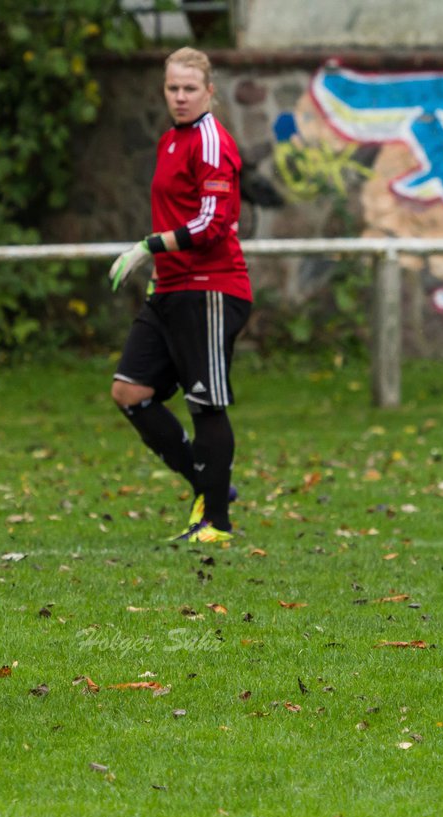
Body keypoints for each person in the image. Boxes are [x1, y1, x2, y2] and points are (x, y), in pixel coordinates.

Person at [107, 46, 252, 544]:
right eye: (173, 88)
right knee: (130, 392)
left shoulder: (212, 142)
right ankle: (210, 487)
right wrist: (156, 270)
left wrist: (150, 246)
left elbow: (214, 224)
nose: (181, 96)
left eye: (191, 88)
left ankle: (217, 523)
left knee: (205, 404)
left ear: (209, 91)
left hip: (210, 288)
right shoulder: (171, 140)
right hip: (169, 288)